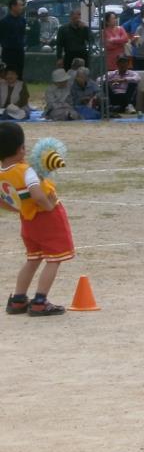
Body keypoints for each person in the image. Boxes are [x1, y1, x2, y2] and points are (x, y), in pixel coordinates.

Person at [1, 127, 75, 316]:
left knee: (33, 259)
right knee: (54, 259)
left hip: (27, 220)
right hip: (47, 219)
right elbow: (38, 194)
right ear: (21, 149)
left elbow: (4, 200)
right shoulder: (26, 171)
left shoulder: (2, 173)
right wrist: (49, 207)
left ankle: (18, 299)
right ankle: (40, 301)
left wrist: (18, 208)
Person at [0, 0, 27, 77]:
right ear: (13, 7)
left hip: (20, 51)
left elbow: (23, 34)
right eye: (20, 5)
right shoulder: (4, 22)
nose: (22, 7)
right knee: (9, 73)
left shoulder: (22, 20)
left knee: (19, 73)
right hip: (8, 52)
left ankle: (19, 88)